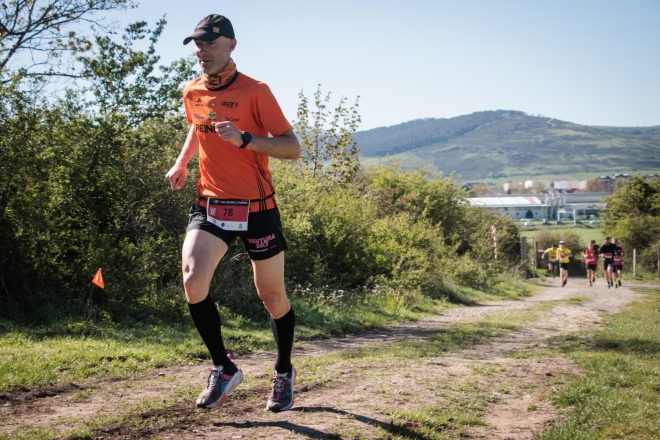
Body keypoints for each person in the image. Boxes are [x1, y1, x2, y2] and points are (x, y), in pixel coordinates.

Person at [165, 14, 301, 411]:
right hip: (211, 203)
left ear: (231, 45)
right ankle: (224, 368)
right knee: (193, 281)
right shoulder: (192, 90)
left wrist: (246, 140)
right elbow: (198, 125)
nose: (202, 51)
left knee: (272, 296)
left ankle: (283, 371)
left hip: (257, 208)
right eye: (198, 44)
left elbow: (292, 147)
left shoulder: (256, 91)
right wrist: (182, 161)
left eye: (210, 43)